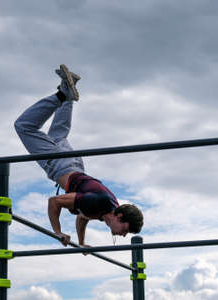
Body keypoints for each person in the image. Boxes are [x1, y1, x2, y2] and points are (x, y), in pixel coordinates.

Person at [14, 64, 143, 247]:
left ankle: (68, 88)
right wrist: (57, 232)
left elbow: (83, 217)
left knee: (58, 133)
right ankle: (62, 95)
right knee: (23, 126)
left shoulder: (106, 209)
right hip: (60, 165)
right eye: (125, 230)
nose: (123, 235)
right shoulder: (99, 203)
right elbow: (55, 202)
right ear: (119, 217)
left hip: (73, 163)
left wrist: (81, 243)